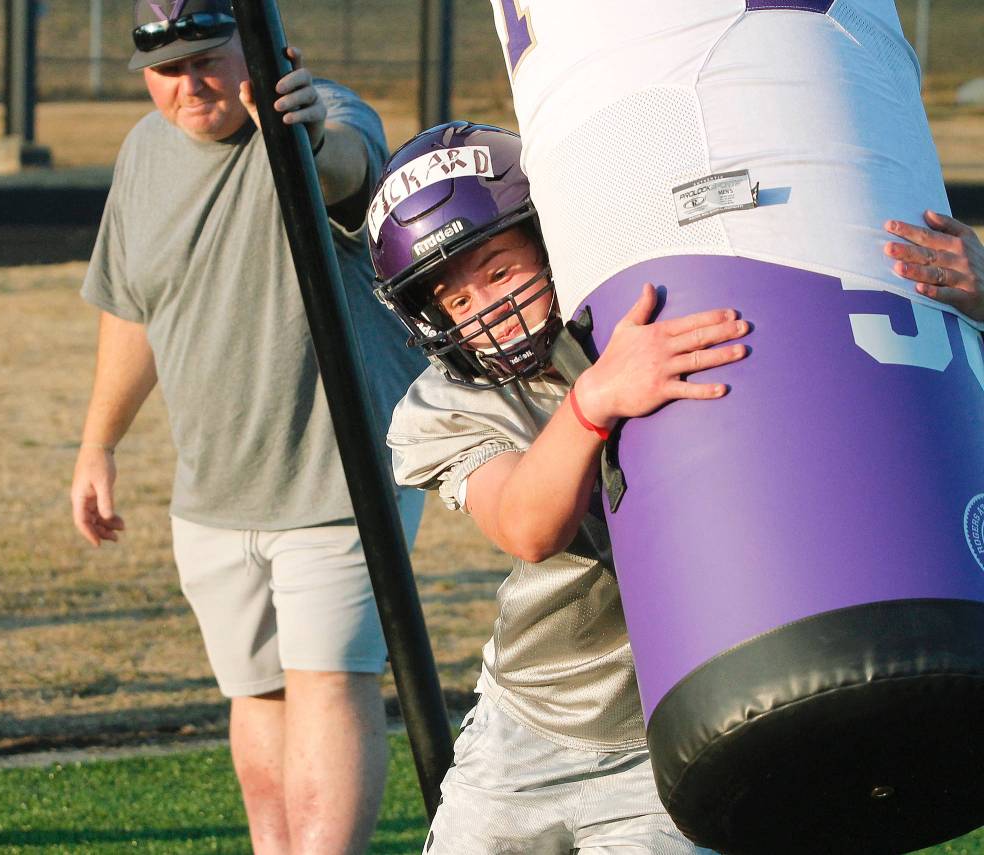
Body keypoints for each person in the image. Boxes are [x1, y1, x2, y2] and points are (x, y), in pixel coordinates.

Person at [366, 121, 984, 854]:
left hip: (678, 733)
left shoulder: (671, 310)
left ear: (549, 236)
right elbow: (527, 525)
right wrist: (593, 401)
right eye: (456, 300)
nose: (487, 309)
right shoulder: (448, 404)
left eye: (498, 271)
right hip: (529, 723)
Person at [68, 1, 425, 852]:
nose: (190, 83)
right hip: (213, 491)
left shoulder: (321, 110)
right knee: (256, 695)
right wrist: (98, 441)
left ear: (255, 46)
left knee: (331, 688)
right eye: (167, 68)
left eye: (209, 58)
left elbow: (350, 173)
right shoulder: (143, 152)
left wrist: (298, 137)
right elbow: (132, 307)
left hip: (336, 484)